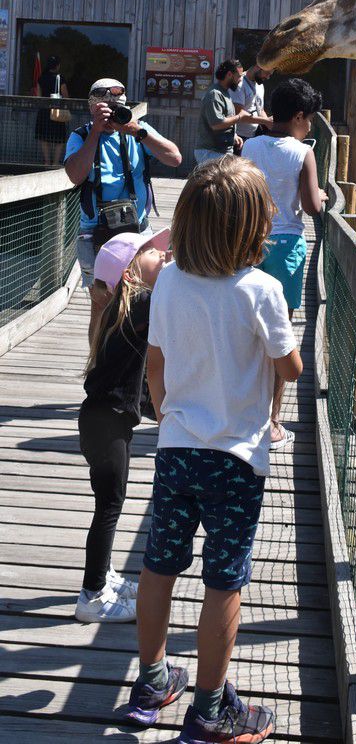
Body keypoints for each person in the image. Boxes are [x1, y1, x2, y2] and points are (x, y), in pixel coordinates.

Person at [126, 156, 302, 741]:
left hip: (176, 450)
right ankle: (209, 710)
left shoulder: (168, 279)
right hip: (236, 459)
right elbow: (292, 369)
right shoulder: (264, 291)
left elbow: (156, 363)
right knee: (224, 578)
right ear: (254, 229)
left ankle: (151, 679)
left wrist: (166, 410)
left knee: (159, 563)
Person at [75, 227, 172, 623]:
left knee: (109, 503)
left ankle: (104, 575)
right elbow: (174, 296)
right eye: (153, 252)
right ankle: (92, 595)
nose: (163, 256)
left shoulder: (122, 310)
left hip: (103, 422)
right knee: (109, 506)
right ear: (130, 273)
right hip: (107, 425)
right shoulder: (142, 303)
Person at [242, 78, 326, 450]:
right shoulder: (303, 152)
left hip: (248, 244)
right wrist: (320, 195)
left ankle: (242, 411)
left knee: (245, 329)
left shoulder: (249, 147)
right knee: (280, 334)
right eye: (309, 119)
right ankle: (272, 422)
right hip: (288, 247)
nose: (309, 126)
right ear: (297, 116)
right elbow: (311, 206)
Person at [64, 78, 181, 342]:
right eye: (108, 108)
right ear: (94, 107)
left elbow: (175, 158)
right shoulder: (81, 136)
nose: (115, 114)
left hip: (138, 230)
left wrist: (137, 131)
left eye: (119, 107)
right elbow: (74, 176)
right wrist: (95, 131)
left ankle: (139, 364)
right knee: (101, 304)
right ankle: (96, 367)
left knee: (149, 297)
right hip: (96, 234)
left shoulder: (138, 131)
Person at [194, 59, 267, 166]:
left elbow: (225, 121)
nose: (240, 79)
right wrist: (239, 116)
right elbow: (216, 124)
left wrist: (234, 135)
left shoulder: (225, 93)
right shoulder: (215, 94)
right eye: (239, 76)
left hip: (221, 152)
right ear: (229, 74)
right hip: (211, 152)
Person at [34, 55, 70, 165]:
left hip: (44, 111)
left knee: (44, 138)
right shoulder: (60, 78)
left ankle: (47, 162)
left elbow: (39, 97)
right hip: (57, 111)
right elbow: (66, 96)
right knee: (60, 139)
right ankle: (55, 164)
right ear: (57, 66)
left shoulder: (41, 78)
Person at [229, 63, 272, 143]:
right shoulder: (239, 83)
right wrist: (266, 121)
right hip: (239, 138)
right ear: (258, 67)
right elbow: (239, 114)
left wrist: (270, 123)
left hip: (254, 136)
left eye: (270, 74)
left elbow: (260, 109)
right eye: (267, 73)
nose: (268, 77)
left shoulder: (260, 85)